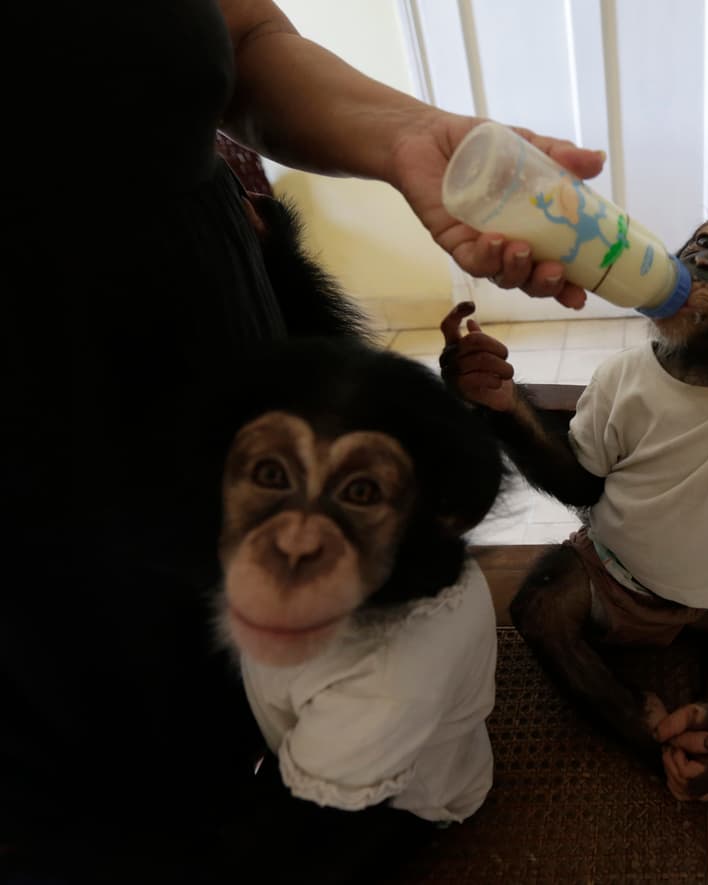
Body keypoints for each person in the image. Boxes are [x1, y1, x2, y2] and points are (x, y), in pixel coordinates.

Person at [0, 2, 596, 881]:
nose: (287, 534)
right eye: (271, 477)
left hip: (366, 782)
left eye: (355, 495)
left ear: (441, 517)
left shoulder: (386, 675)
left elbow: (238, 32)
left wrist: (412, 133)